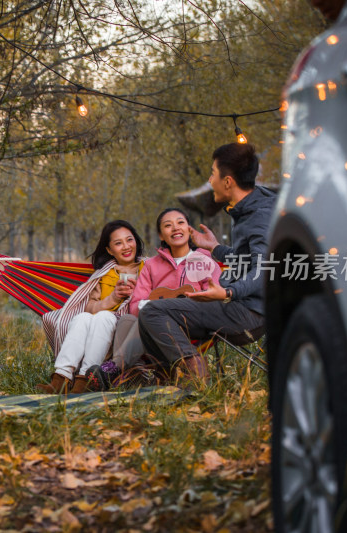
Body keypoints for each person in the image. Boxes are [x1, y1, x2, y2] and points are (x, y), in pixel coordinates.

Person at [138, 143, 276, 384]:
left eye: (213, 173)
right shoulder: (252, 207)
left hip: (250, 313)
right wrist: (214, 248)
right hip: (247, 305)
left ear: (228, 181)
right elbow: (249, 261)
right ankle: (168, 378)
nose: (210, 180)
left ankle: (196, 376)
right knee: (152, 314)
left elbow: (264, 269)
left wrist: (228, 291)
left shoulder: (258, 216)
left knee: (152, 311)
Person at [94, 208, 223, 388]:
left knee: (148, 317)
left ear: (189, 229)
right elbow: (136, 303)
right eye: (168, 226)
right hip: (154, 326)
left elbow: (214, 296)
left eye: (180, 223)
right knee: (127, 319)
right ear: (161, 235)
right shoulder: (152, 265)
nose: (175, 228)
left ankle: (114, 370)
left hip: (193, 324)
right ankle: (130, 374)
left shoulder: (205, 260)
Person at [38, 220, 144, 394]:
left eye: (129, 240)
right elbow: (89, 307)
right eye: (118, 243)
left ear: (136, 241)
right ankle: (61, 377)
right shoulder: (104, 273)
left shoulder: (148, 267)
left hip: (124, 335)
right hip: (96, 334)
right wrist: (114, 297)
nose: (126, 246)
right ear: (109, 250)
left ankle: (87, 379)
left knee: (104, 317)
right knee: (82, 317)